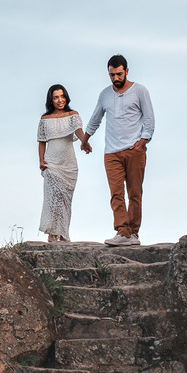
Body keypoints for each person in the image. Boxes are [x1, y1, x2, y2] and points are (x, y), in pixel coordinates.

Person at [80, 54, 154, 246]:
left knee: (135, 193)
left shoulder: (140, 91)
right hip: (111, 152)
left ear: (127, 71)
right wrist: (86, 139)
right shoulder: (105, 94)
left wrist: (144, 140)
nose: (115, 78)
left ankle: (134, 233)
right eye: (112, 75)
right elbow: (96, 117)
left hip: (134, 150)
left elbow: (149, 118)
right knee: (116, 193)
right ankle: (122, 231)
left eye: (119, 74)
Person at [37, 84, 89, 242]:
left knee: (65, 199)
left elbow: (79, 130)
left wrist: (84, 142)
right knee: (53, 196)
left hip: (69, 164)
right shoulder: (45, 119)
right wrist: (41, 161)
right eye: (56, 97)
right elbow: (41, 141)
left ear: (66, 97)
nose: (60, 100)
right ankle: (53, 234)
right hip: (51, 163)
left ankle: (63, 234)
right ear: (51, 100)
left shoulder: (73, 115)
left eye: (62, 96)